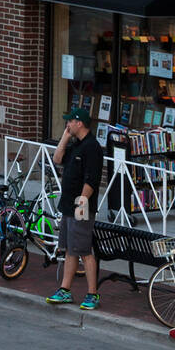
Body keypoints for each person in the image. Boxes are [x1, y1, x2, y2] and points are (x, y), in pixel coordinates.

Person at [47, 107, 102, 310]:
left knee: (84, 251)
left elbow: (92, 180)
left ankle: (92, 293)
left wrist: (81, 202)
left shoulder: (92, 148)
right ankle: (65, 290)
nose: (67, 124)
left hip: (81, 207)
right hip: (68, 205)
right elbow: (57, 158)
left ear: (79, 123)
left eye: (70, 122)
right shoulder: (76, 145)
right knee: (70, 249)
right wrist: (64, 136)